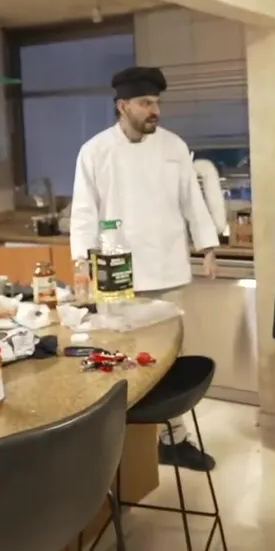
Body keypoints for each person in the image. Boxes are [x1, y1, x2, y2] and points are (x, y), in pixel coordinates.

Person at [69, 65, 221, 472]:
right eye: (145, 103)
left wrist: (207, 246)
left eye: (156, 103)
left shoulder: (173, 146)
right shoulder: (95, 151)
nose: (155, 110)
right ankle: (119, 449)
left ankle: (174, 440)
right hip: (116, 273)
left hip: (167, 268)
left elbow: (192, 200)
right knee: (120, 361)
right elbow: (84, 211)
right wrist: (81, 261)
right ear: (123, 106)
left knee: (168, 360)